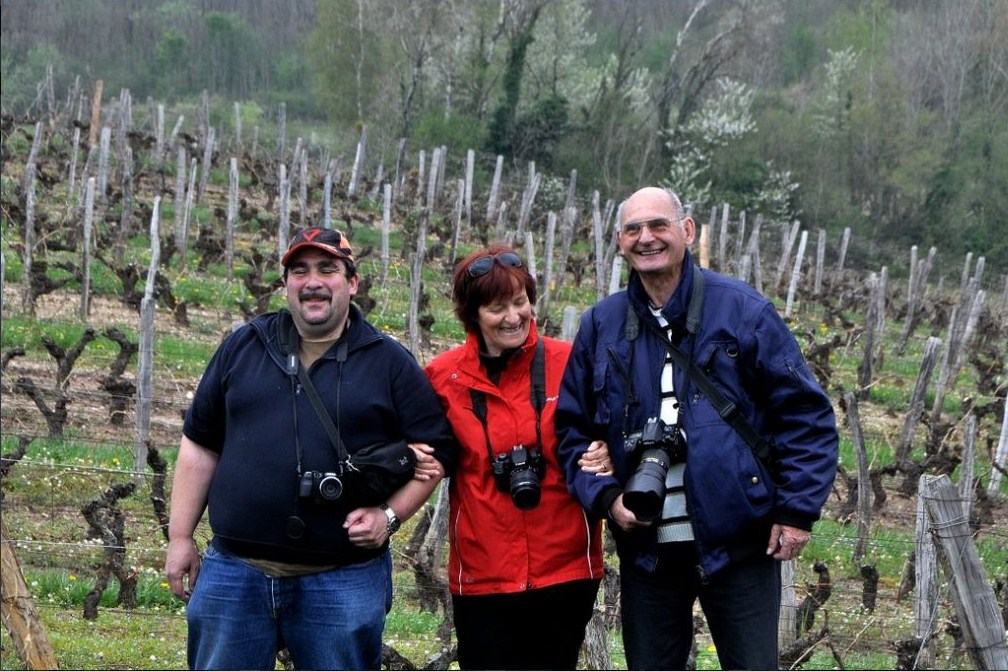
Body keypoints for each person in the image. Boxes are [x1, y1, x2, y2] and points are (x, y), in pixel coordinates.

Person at [555, 187, 839, 670]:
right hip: (648, 549)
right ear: (619, 242)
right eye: (632, 229)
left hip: (739, 542)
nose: (646, 238)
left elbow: (806, 416)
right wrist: (607, 499)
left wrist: (796, 511)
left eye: (658, 225)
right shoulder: (601, 325)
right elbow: (572, 431)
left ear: (687, 231)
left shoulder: (744, 312)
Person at [164, 226, 456, 670]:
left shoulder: (387, 361)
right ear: (286, 285)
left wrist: (390, 516)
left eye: (327, 269)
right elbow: (200, 445)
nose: (312, 281)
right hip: (234, 573)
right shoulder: (244, 347)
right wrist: (181, 536)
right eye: (299, 271)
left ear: (352, 283)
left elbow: (434, 457)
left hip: (343, 580)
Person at [422, 245, 612, 670]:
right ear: (471, 314)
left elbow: (614, 425)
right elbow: (424, 453)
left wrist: (610, 450)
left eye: (520, 302)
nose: (513, 317)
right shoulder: (443, 377)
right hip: (482, 571)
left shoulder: (571, 362)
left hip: (564, 566)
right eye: (496, 308)